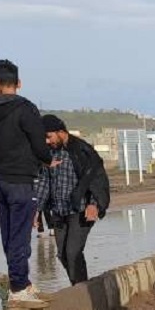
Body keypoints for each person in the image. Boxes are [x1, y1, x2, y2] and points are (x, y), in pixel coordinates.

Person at [0, 59, 52, 310]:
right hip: (21, 179)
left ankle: (22, 282)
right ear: (18, 83)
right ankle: (19, 288)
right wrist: (47, 159)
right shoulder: (26, 109)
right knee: (20, 234)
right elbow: (39, 144)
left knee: (9, 232)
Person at [35, 114, 111, 285]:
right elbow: (43, 182)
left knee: (73, 252)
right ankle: (79, 287)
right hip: (59, 211)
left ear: (61, 132)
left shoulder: (83, 150)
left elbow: (96, 178)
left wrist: (94, 204)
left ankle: (81, 291)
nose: (47, 141)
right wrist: (36, 209)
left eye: (49, 136)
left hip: (81, 211)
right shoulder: (49, 154)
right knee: (62, 254)